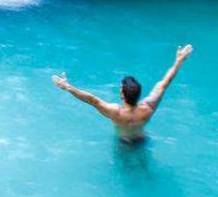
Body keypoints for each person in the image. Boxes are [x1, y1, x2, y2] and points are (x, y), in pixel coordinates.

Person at [52, 45, 193, 141]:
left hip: (124, 142)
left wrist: (68, 87)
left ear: (122, 95)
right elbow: (164, 83)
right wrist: (179, 61)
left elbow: (92, 100)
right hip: (141, 140)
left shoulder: (115, 112)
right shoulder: (148, 108)